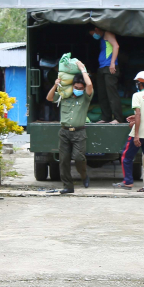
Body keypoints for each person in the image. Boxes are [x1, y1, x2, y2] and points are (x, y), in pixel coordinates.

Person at [46, 60, 93, 194]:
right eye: (76, 87)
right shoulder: (64, 97)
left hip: (79, 133)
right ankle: (68, 186)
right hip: (64, 132)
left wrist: (82, 68)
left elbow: (89, 84)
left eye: (80, 88)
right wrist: (55, 85)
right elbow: (49, 98)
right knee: (63, 160)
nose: (78, 90)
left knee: (79, 158)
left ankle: (84, 176)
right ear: (72, 86)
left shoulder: (85, 98)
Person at [114, 71, 144, 194]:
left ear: (139, 84)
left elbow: (139, 113)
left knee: (126, 156)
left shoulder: (137, 96)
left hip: (139, 134)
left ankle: (128, 181)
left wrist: (137, 135)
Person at [88, 26, 124, 124]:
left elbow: (116, 46)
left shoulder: (108, 33)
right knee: (102, 94)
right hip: (102, 68)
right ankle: (106, 117)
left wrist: (112, 63)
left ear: (97, 29)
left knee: (112, 94)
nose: (94, 35)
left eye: (93, 33)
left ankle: (118, 118)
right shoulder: (101, 39)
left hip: (110, 67)